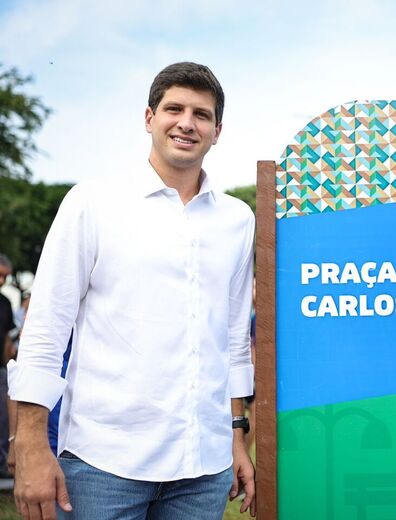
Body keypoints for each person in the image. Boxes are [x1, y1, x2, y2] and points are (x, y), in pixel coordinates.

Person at [9, 62, 256, 520]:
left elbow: (234, 341)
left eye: (201, 114)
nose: (187, 123)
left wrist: (236, 437)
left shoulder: (238, 220)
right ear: (149, 118)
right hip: (103, 465)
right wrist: (28, 444)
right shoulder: (91, 203)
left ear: (217, 131)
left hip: (204, 468)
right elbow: (45, 330)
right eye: (174, 109)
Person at [0, 254, 15, 480]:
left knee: (3, 418)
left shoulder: (4, 303)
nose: (2, 280)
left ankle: (2, 463)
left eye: (5, 277)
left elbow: (7, 338)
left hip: (0, 369)